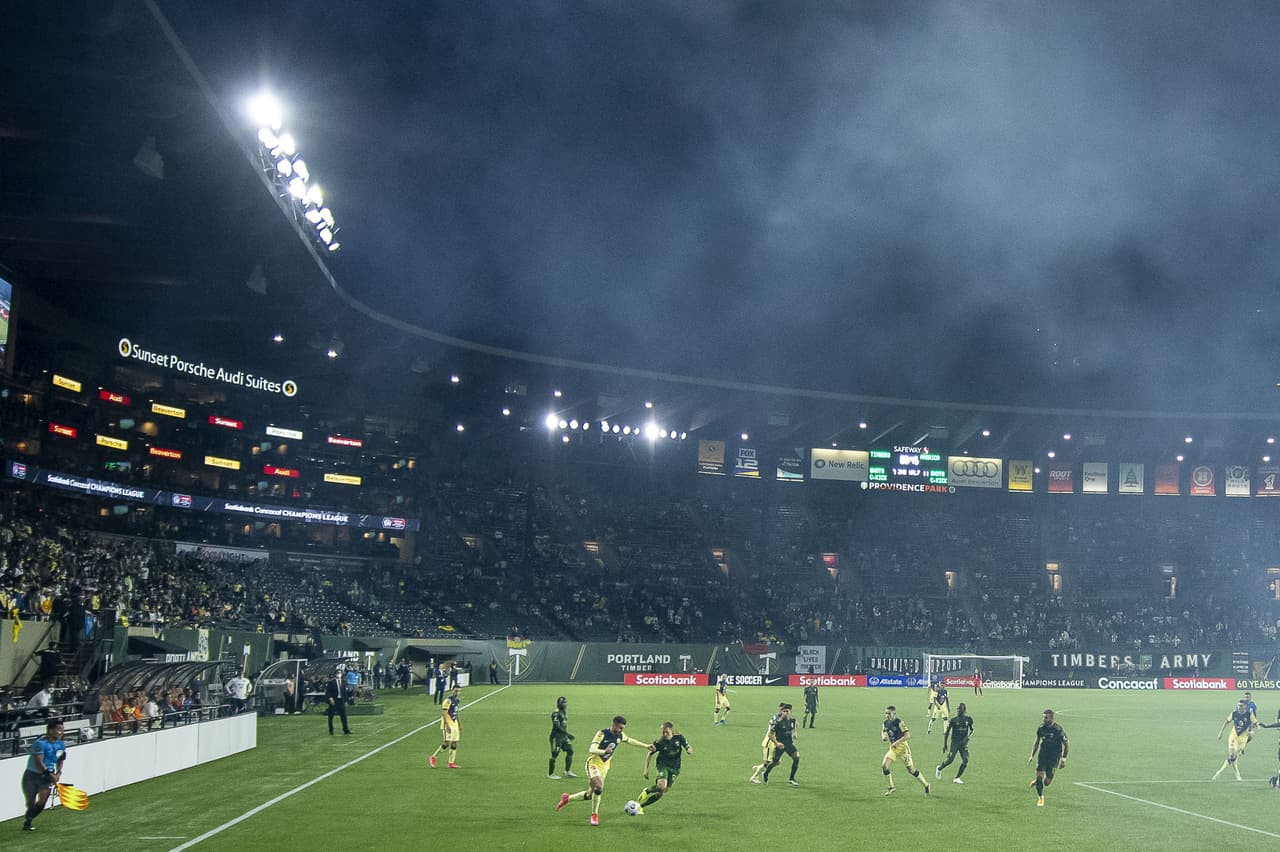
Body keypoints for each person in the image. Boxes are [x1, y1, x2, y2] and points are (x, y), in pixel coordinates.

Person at [556, 715, 651, 826]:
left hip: (605, 767)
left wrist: (646, 746)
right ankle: (594, 815)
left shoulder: (620, 735)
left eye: (622, 728)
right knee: (599, 787)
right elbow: (591, 749)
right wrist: (604, 752)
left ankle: (567, 798)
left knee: (590, 795)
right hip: (593, 763)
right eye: (619, 727)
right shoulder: (602, 734)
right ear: (613, 725)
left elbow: (630, 740)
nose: (621, 730)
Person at [20, 717, 65, 831]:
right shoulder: (40, 743)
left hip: (46, 778)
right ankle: (29, 818)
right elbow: (39, 761)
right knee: (30, 802)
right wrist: (50, 774)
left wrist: (58, 772)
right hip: (32, 776)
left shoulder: (61, 744)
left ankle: (28, 820)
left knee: (42, 801)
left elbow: (61, 759)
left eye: (62, 729)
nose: (61, 732)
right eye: (59, 729)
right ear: (50, 730)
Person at [637, 721, 693, 812]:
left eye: (666, 732)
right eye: (663, 732)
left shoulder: (679, 737)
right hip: (663, 765)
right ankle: (647, 791)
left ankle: (640, 806)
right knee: (661, 786)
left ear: (671, 730)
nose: (664, 734)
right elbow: (649, 754)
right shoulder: (659, 742)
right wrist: (646, 770)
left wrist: (689, 750)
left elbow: (688, 746)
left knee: (662, 792)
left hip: (675, 768)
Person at [882, 705, 931, 795]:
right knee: (885, 765)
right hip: (893, 749)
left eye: (889, 713)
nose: (887, 715)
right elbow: (884, 731)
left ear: (894, 713)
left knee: (911, 770)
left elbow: (907, 735)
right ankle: (891, 787)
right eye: (886, 713)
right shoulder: (886, 722)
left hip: (903, 749)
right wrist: (884, 737)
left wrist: (896, 742)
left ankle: (926, 784)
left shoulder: (899, 722)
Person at [1028, 708, 1069, 806]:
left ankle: (1040, 781)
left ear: (1051, 718)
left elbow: (1066, 745)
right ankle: (1040, 797)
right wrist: (1031, 755)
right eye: (1043, 717)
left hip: (1054, 757)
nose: (1043, 720)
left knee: (1047, 782)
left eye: (1045, 718)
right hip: (1043, 755)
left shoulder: (1058, 730)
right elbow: (1037, 742)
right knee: (1039, 778)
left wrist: (1063, 759)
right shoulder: (1041, 728)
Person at [1214, 698, 1254, 781]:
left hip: (1242, 740)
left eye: (1241, 705)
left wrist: (1251, 732)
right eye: (1238, 705)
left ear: (1245, 706)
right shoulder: (1234, 713)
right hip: (1233, 737)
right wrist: (1220, 733)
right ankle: (1222, 773)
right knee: (1232, 755)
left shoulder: (1249, 714)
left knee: (1233, 758)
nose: (1239, 707)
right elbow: (1226, 722)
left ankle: (1229, 774)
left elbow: (1255, 723)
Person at [762, 704, 801, 786]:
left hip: (789, 744)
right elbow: (770, 734)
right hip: (781, 745)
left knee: (796, 757)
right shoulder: (778, 723)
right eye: (784, 711)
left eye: (787, 711)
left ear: (790, 712)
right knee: (775, 762)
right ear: (781, 712)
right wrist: (777, 743)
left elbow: (795, 726)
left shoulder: (792, 720)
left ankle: (791, 779)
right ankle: (765, 774)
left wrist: (795, 733)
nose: (786, 713)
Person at [936, 702, 974, 783]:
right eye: (957, 708)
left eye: (960, 708)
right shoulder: (953, 720)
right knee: (950, 760)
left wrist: (968, 737)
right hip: (955, 743)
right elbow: (947, 732)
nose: (958, 710)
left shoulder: (969, 719)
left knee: (965, 759)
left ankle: (957, 778)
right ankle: (939, 768)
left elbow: (972, 730)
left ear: (964, 710)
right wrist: (945, 744)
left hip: (963, 744)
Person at [749, 702, 786, 784]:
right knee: (770, 762)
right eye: (782, 710)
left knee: (777, 761)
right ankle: (754, 777)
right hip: (769, 743)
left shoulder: (778, 717)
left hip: (774, 743)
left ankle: (759, 768)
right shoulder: (777, 719)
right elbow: (772, 732)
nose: (783, 712)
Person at [548, 695, 577, 779]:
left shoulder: (564, 712)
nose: (564, 704)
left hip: (563, 736)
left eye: (565, 702)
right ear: (558, 703)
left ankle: (567, 771)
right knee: (555, 754)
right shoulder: (556, 713)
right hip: (556, 737)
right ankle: (550, 774)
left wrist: (566, 735)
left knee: (570, 751)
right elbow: (556, 727)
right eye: (562, 703)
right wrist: (568, 734)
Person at [325, 667, 351, 735]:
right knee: (331, 716)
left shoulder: (343, 682)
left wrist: (345, 701)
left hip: (341, 700)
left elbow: (345, 692)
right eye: (337, 673)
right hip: (334, 701)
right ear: (335, 674)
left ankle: (346, 729)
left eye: (340, 673)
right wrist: (330, 699)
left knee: (344, 715)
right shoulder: (331, 682)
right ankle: (331, 730)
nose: (339, 674)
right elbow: (328, 692)